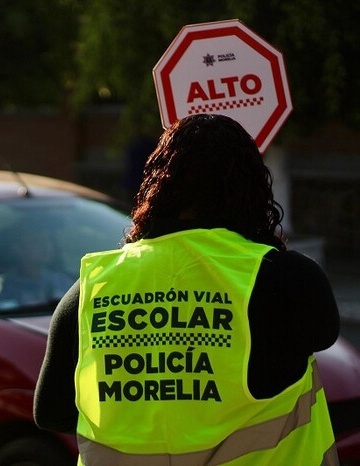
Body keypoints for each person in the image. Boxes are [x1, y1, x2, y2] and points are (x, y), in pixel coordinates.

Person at [34, 114, 340, 465]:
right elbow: (323, 334)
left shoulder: (92, 288)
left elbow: (51, 412)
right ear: (254, 191)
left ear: (155, 186)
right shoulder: (286, 278)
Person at [0, 225, 74, 311]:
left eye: (48, 240)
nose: (46, 246)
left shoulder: (62, 281)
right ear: (18, 249)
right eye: (36, 241)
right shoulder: (5, 285)